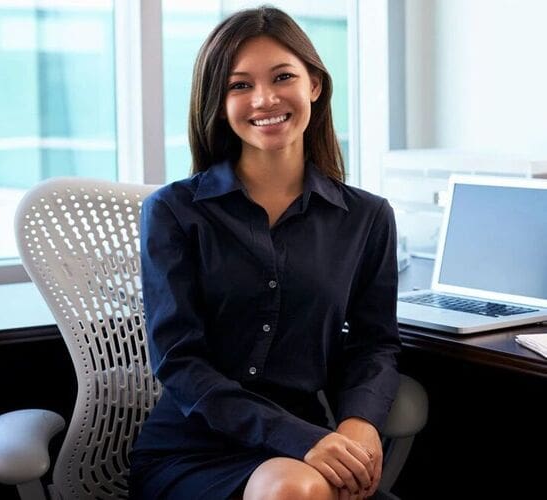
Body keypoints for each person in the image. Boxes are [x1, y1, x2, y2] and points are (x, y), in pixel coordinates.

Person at [129, 6, 401, 500]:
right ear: (218, 100)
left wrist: (360, 425)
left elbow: (373, 344)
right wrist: (300, 439)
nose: (264, 99)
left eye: (283, 77)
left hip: (313, 447)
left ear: (314, 85)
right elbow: (179, 361)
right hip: (196, 447)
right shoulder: (172, 212)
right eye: (239, 85)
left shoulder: (367, 217)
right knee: (292, 489)